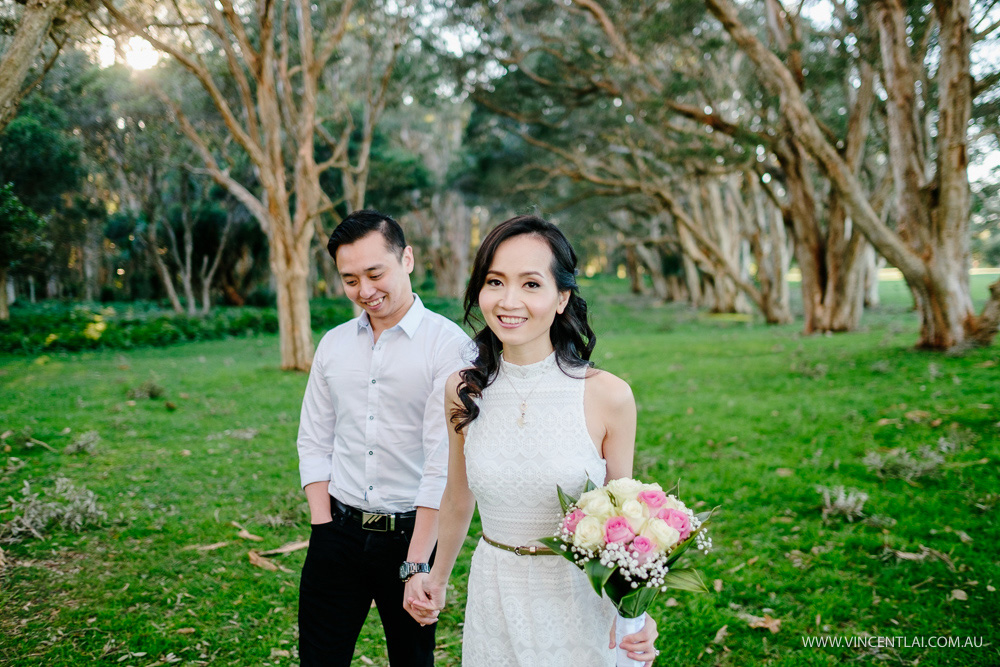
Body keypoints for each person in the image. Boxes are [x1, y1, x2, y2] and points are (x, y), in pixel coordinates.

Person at [407, 215, 660, 666]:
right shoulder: (463, 389)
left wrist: (639, 618)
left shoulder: (608, 395)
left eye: (530, 284)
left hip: (579, 599)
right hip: (495, 590)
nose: (509, 301)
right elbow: (458, 495)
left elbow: (628, 523)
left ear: (562, 297)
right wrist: (436, 576)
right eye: (495, 281)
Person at [296, 209, 471, 667]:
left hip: (410, 537)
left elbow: (444, 462)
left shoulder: (448, 346)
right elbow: (314, 438)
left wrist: (417, 564)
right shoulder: (333, 344)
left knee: (412, 662)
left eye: (375, 273)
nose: (365, 291)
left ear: (407, 259)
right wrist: (323, 527)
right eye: (350, 279)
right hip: (336, 531)